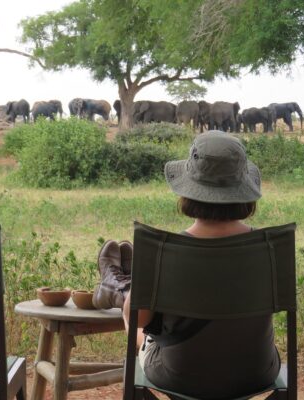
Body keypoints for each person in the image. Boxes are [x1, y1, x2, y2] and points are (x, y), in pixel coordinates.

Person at [92, 131, 280, 399]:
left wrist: (132, 303)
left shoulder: (166, 252)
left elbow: (139, 320)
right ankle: (119, 287)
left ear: (188, 192)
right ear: (244, 192)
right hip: (255, 373)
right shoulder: (270, 249)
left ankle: (117, 289)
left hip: (179, 375)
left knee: (131, 313)